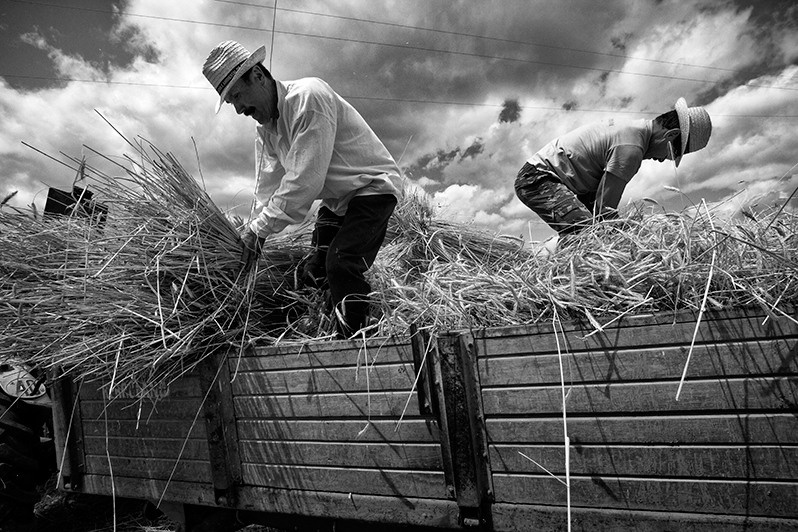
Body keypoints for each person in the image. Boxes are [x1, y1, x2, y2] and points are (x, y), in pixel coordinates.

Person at [202, 40, 403, 337]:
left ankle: (358, 341)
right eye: (231, 102)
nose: (239, 109)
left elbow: (305, 181)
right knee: (314, 272)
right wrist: (251, 232)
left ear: (258, 75)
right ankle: (325, 327)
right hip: (337, 201)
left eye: (237, 95)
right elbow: (266, 187)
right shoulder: (266, 131)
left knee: (341, 264)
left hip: (372, 189)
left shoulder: (309, 98)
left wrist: (259, 231)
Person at [515, 98, 712, 235]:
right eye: (674, 154)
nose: (665, 160)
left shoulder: (633, 131)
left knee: (593, 232)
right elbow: (603, 211)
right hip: (538, 179)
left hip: (556, 181)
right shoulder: (631, 149)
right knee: (587, 234)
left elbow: (599, 206)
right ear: (671, 136)